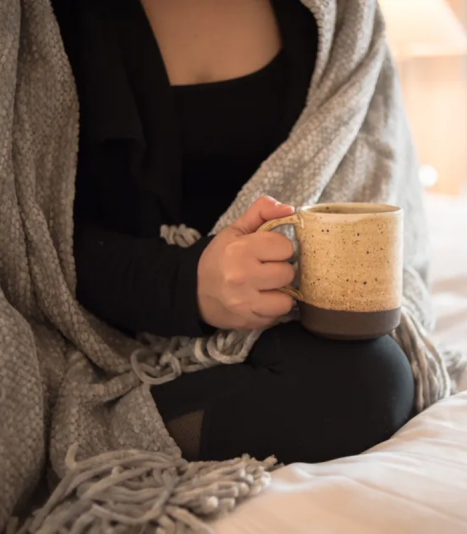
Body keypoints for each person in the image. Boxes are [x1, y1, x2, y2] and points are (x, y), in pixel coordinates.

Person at [53, 0, 416, 464]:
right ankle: (100, 444)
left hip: (284, 323)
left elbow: (370, 171)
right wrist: (188, 284)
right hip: (110, 322)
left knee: (376, 377)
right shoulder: (48, 18)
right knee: (362, 390)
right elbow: (28, 238)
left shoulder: (344, 19)